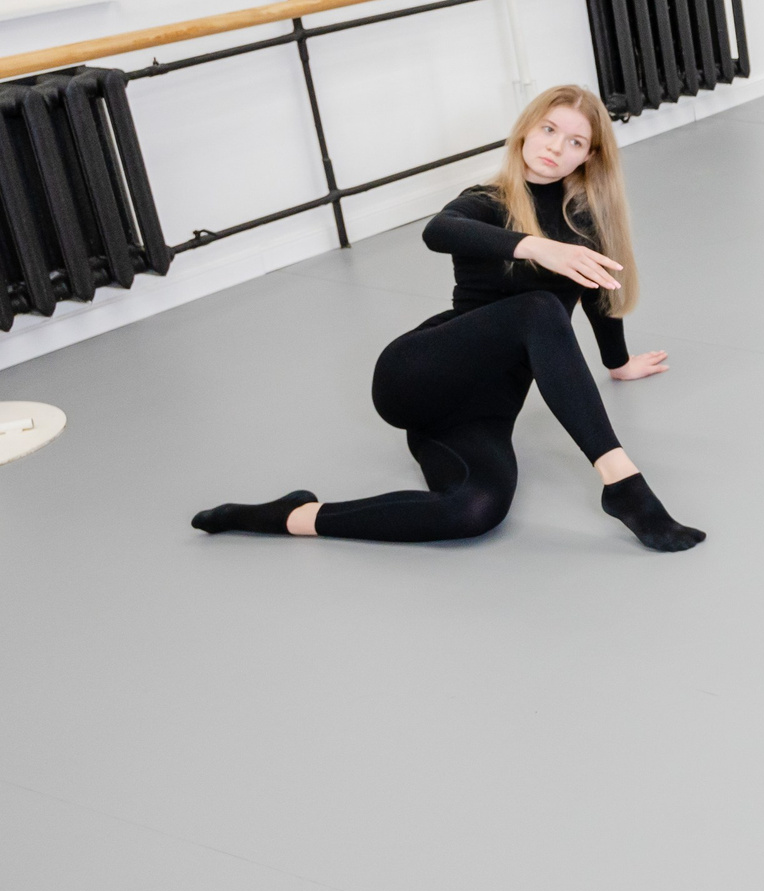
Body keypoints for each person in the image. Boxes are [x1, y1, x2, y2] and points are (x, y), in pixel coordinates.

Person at [191, 85, 703, 551]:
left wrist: (618, 363)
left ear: (589, 156)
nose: (555, 147)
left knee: (476, 510)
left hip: (480, 411)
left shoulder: (584, 221)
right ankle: (623, 484)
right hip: (419, 373)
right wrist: (537, 249)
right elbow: (439, 230)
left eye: (574, 141)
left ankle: (291, 516)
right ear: (526, 129)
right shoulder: (487, 200)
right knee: (540, 308)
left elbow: (599, 296)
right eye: (548, 129)